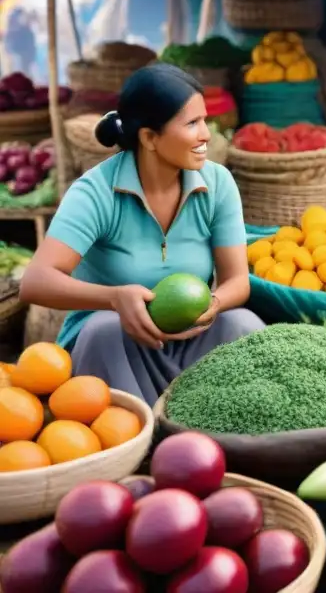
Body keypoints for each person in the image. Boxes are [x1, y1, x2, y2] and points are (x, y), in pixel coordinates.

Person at [19, 64, 265, 405]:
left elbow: (238, 280)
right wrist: (114, 299)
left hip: (192, 335)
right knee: (103, 329)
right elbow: (35, 281)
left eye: (204, 120)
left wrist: (215, 304)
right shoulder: (96, 191)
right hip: (117, 346)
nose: (206, 134)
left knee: (243, 324)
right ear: (149, 137)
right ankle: (135, 441)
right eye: (192, 123)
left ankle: (223, 434)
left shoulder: (217, 183)